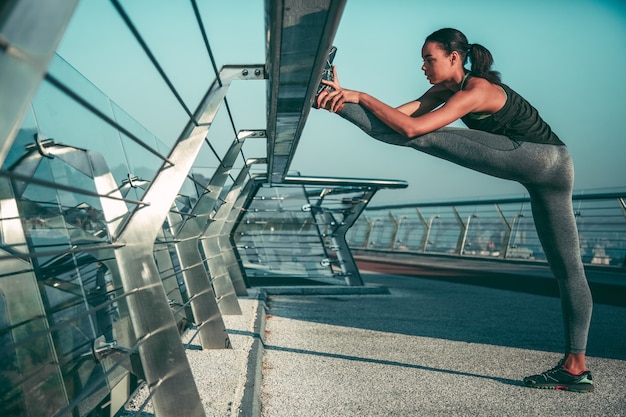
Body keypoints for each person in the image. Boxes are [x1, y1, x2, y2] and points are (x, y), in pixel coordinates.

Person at [315, 28, 594, 393]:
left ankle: (321, 90)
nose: (423, 66)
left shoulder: (477, 90)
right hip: (555, 168)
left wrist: (360, 96)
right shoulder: (442, 91)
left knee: (418, 135)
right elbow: (389, 127)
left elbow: (412, 129)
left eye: (429, 59)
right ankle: (576, 369)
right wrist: (343, 99)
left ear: (453, 57)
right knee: (567, 269)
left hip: (537, 158)